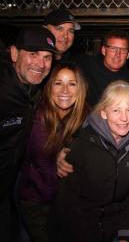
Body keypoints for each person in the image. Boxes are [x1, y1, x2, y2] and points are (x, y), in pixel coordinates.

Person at [49, 80, 129, 242]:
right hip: (78, 232)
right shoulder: (82, 145)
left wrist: (125, 235)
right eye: (116, 110)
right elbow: (66, 203)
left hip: (114, 232)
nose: (124, 118)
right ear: (103, 113)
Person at [18, 63, 88, 242]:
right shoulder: (35, 115)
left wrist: (71, 152)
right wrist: (56, 155)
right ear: (49, 87)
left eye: (72, 84)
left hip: (71, 206)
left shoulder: (88, 119)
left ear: (80, 89)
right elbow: (38, 155)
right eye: (58, 83)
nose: (65, 90)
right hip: (37, 202)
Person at [0, 26, 56, 241]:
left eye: (47, 57)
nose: (41, 64)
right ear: (14, 53)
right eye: (33, 54)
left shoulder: (32, 93)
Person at [75, 29, 129, 107]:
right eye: (113, 49)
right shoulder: (86, 64)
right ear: (104, 50)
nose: (117, 54)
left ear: (128, 54)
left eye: (123, 50)